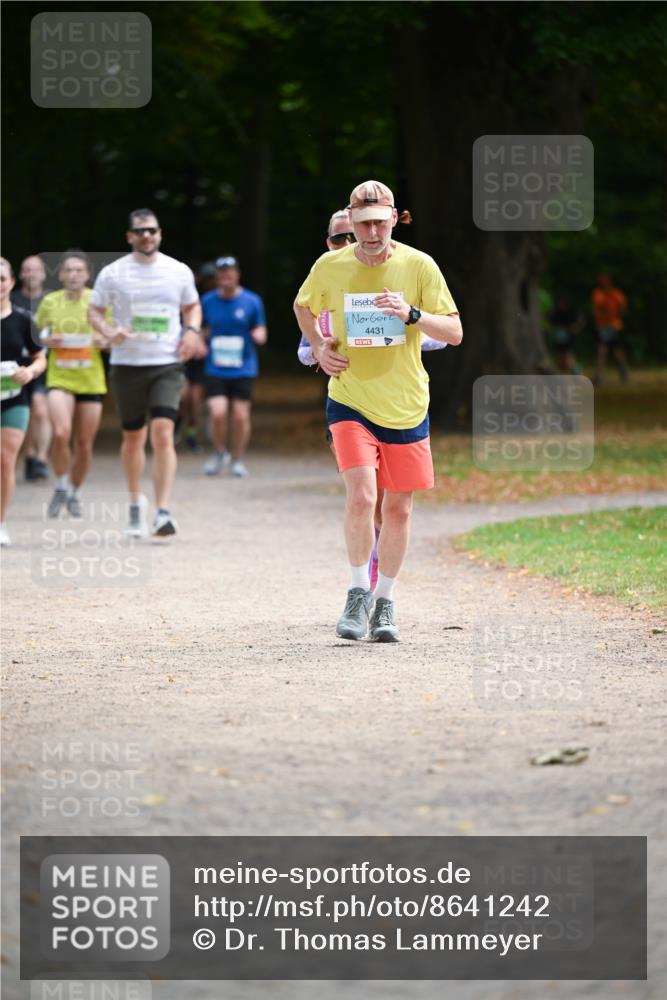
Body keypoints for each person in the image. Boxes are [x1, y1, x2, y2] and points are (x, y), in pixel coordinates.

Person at [294, 180, 462, 642]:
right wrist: (319, 347)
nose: (370, 232)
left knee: (400, 510)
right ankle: (355, 594)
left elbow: (454, 332)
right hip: (349, 397)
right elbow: (302, 305)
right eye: (362, 223)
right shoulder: (331, 266)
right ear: (351, 219)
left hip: (407, 404)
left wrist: (411, 314)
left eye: (379, 223)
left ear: (395, 218)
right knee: (363, 498)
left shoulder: (419, 265)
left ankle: (385, 602)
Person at [87, 208, 203, 537]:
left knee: (164, 433)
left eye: (152, 230)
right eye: (140, 231)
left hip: (166, 362)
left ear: (160, 233)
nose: (147, 236)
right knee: (133, 436)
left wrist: (192, 331)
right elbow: (94, 311)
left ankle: (163, 510)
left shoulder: (177, 271)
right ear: (130, 236)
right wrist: (109, 332)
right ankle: (136, 504)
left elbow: (191, 305)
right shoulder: (113, 273)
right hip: (127, 364)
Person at [35, 252, 108, 517]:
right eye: (69, 270)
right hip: (60, 378)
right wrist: (46, 340)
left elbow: (113, 336)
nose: (74, 274)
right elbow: (37, 334)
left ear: (87, 274)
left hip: (90, 380)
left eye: (79, 270)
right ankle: (61, 484)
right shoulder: (50, 301)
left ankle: (75, 491)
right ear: (62, 275)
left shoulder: (98, 301)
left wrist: (105, 341)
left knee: (85, 444)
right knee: (61, 432)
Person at [201, 256, 267, 478]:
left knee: (240, 416)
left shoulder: (252, 301)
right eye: (222, 273)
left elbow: (261, 329)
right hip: (216, 366)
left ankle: (237, 459)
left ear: (237, 274)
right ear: (217, 277)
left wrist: (259, 335)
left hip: (243, 366)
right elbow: (200, 329)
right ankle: (220, 452)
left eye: (230, 272)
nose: (226, 276)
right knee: (217, 412)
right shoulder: (207, 301)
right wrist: (198, 342)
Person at [1, 258, 47, 545]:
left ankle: (0, 521)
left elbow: (41, 357)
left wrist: (29, 372)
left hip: (14, 399)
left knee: (5, 460)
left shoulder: (22, 320)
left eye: (2, 278)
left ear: (11, 282)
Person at [11, 255, 51, 480]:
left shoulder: (52, 300)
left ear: (44, 274)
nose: (31, 274)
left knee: (41, 409)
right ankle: (28, 455)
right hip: (15, 365)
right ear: (19, 275)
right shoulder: (12, 299)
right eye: (26, 270)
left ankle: (41, 459)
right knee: (24, 413)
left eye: (35, 270)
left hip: (43, 363)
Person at [180, 262, 216, 452]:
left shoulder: (208, 301)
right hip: (181, 355)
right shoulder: (179, 298)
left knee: (194, 399)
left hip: (201, 356)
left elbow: (210, 326)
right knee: (183, 396)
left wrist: (200, 338)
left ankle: (193, 433)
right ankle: (181, 424)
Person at [592, 272, 629, 384]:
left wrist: (619, 310)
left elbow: (623, 309)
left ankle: (623, 373)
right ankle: (599, 376)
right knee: (602, 350)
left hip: (614, 326)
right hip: (603, 327)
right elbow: (598, 309)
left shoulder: (616, 293)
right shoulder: (598, 294)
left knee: (616, 352)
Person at [548, 293, 583, 374]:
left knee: (568, 357)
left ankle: (577, 372)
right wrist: (552, 330)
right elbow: (550, 322)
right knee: (561, 359)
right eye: (560, 302)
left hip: (570, 337)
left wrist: (576, 328)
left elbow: (580, 320)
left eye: (563, 302)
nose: (561, 304)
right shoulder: (555, 312)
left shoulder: (572, 311)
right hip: (559, 337)